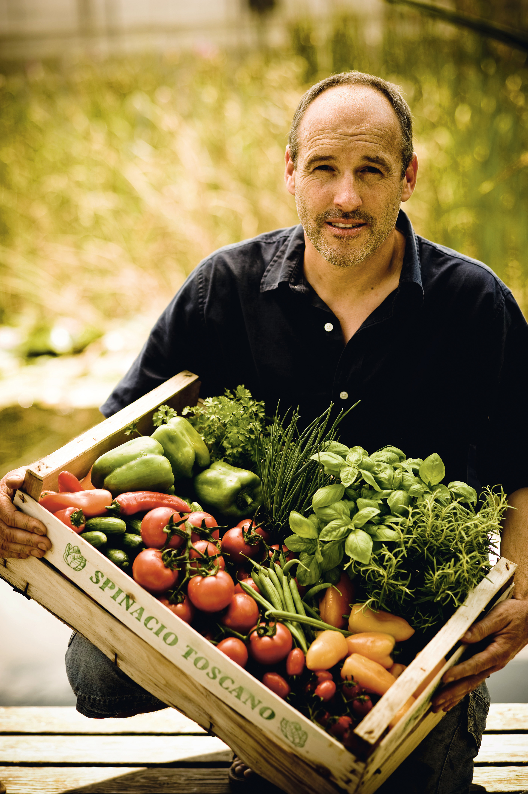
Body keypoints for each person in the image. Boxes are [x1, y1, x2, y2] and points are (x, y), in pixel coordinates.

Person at [1, 71, 528, 794]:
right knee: (94, 674)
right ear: (291, 174)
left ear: (408, 177)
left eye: (372, 171)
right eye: (324, 168)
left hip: (411, 627)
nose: (346, 197)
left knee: (416, 779)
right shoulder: (223, 289)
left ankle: (383, 724)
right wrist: (27, 495)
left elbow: (525, 471)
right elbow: (110, 446)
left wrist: (522, 597)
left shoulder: (474, 306)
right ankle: (256, 722)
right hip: (253, 593)